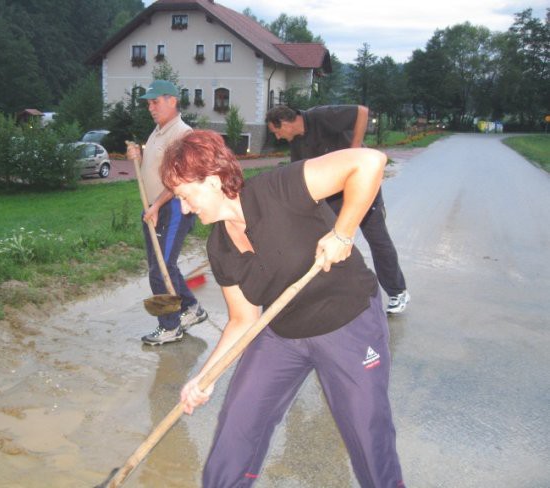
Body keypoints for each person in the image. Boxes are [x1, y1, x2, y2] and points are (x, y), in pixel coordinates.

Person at [161, 130, 406, 487]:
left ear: (212, 181)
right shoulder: (219, 247)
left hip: (347, 322)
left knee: (366, 433)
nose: (184, 208)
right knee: (239, 421)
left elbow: (369, 162)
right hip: (283, 334)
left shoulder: (278, 189)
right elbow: (243, 320)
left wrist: (343, 232)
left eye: (185, 196)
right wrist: (204, 377)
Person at [266, 105, 410, 314]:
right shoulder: (298, 145)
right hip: (334, 197)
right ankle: (330, 293)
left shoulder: (320, 117)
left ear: (286, 123)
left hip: (362, 187)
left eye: (276, 131)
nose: (277, 137)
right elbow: (302, 178)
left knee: (377, 239)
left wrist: (354, 149)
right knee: (321, 241)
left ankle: (398, 291)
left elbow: (361, 111)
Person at [126, 80, 207, 345]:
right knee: (161, 266)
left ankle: (170, 326)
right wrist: (138, 156)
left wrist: (157, 206)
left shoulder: (182, 133)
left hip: (171, 208)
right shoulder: (159, 131)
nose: (150, 107)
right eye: (148, 103)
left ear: (172, 101)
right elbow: (155, 167)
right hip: (154, 208)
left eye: (155, 102)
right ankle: (191, 309)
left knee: (160, 269)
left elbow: (179, 178)